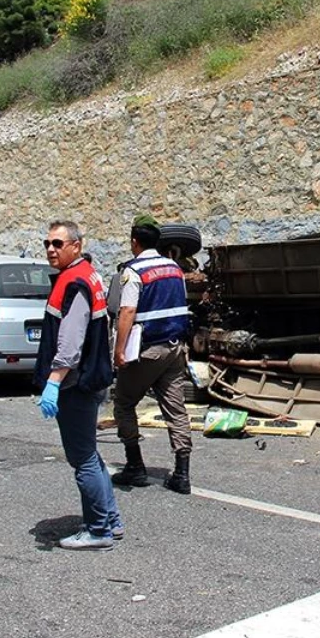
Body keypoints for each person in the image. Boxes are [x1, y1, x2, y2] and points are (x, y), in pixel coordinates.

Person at [32, 221, 122, 550]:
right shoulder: (88, 275)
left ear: (76, 246)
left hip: (76, 384)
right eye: (48, 243)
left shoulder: (73, 282)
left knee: (82, 459)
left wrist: (53, 382)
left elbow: (70, 344)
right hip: (91, 378)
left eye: (58, 243)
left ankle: (99, 529)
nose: (51, 249)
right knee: (90, 455)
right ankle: (109, 519)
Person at [110, 216, 194, 494]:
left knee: (123, 402)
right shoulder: (174, 268)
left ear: (135, 241)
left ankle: (135, 466)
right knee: (176, 409)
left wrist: (119, 351)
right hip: (175, 348)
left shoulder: (133, 271)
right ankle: (182, 474)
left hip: (147, 349)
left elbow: (127, 312)